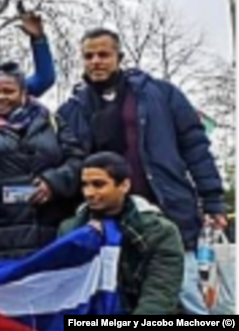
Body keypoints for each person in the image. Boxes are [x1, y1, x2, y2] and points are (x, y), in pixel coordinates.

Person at [57, 27, 226, 314]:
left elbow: (195, 146)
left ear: (119, 57)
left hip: (169, 211)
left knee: (189, 297)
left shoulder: (160, 95)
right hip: (108, 221)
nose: (96, 61)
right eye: (89, 56)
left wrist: (212, 200)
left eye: (103, 54)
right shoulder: (71, 110)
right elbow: (70, 163)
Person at [0, 63, 83, 259]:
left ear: (24, 93)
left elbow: (76, 159)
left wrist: (54, 182)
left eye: (8, 91)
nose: (1, 97)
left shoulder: (52, 122)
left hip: (48, 226)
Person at [59, 152, 184, 315]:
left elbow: (160, 296)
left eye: (98, 184)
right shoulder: (70, 230)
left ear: (124, 185)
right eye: (85, 185)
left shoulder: (160, 232)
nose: (89, 193)